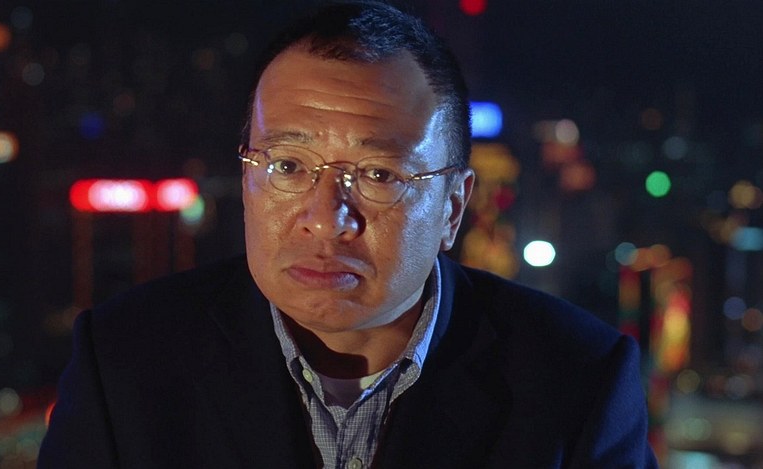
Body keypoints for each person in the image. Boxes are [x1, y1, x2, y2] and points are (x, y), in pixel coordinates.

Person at [38, 2, 658, 467]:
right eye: (287, 166)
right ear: (246, 178)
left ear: (453, 206)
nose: (326, 218)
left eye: (378, 174)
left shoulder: (576, 380)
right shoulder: (126, 361)